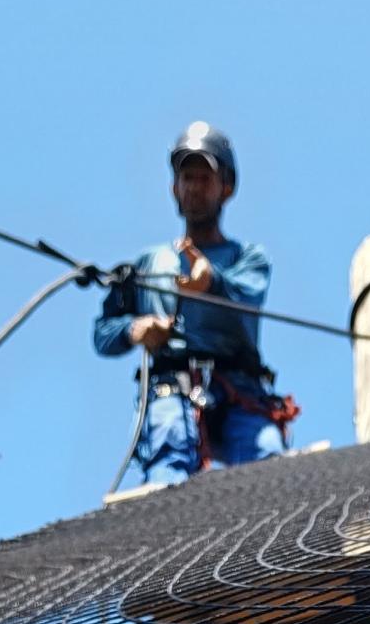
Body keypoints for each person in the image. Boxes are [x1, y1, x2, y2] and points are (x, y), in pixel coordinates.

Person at [94, 122, 299, 485]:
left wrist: (211, 283)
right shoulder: (149, 264)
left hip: (241, 390)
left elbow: (245, 299)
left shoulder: (246, 258)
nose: (194, 188)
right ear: (174, 187)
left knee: (268, 461)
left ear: (227, 188)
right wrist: (136, 330)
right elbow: (103, 335)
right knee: (166, 461)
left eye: (205, 178)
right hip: (173, 388)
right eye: (187, 178)